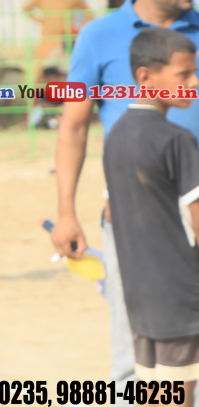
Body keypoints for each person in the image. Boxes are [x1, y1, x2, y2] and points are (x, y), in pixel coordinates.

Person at [53, 0, 199, 392]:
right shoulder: (99, 36)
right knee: (132, 359)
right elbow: (74, 127)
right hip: (134, 221)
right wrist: (66, 213)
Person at [104, 27, 199, 396]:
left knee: (152, 391)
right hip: (180, 293)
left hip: (139, 293)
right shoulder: (177, 140)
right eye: (184, 74)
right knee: (179, 393)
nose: (194, 82)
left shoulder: (115, 135)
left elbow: (112, 212)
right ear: (146, 76)